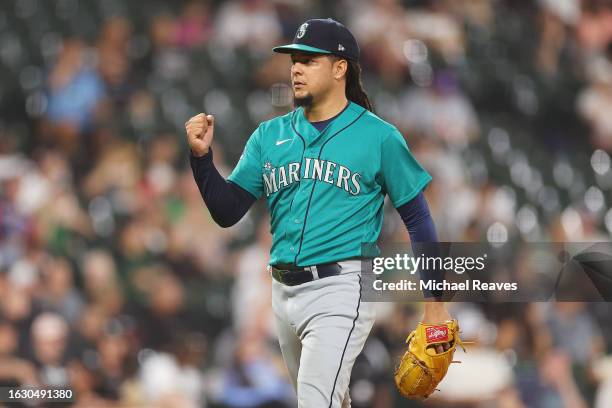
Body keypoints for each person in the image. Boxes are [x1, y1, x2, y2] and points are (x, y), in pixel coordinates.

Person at [186, 18, 454, 408]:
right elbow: (228, 211)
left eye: (309, 60)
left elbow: (418, 219)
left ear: (340, 67)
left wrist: (436, 305)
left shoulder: (378, 137)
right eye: (295, 59)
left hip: (342, 288)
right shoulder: (268, 136)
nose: (296, 67)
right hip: (282, 291)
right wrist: (201, 160)